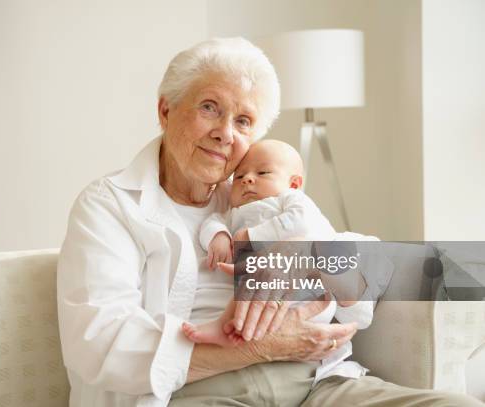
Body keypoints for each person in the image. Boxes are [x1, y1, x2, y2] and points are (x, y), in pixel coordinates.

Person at [57, 37, 483, 406]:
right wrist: (257, 348)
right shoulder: (109, 206)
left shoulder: (255, 195)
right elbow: (100, 344)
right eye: (210, 107)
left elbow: (371, 265)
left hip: (318, 386)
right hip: (196, 392)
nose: (226, 133)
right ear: (165, 111)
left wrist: (303, 258)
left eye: (243, 121)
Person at [181, 138, 373, 387]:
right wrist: (217, 236)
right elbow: (213, 221)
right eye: (239, 177)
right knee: (246, 291)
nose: (248, 179)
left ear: (293, 183)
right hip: (253, 300)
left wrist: (251, 237)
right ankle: (223, 329)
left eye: (262, 173)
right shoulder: (233, 212)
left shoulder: (291, 201)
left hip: (305, 297)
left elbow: (302, 222)